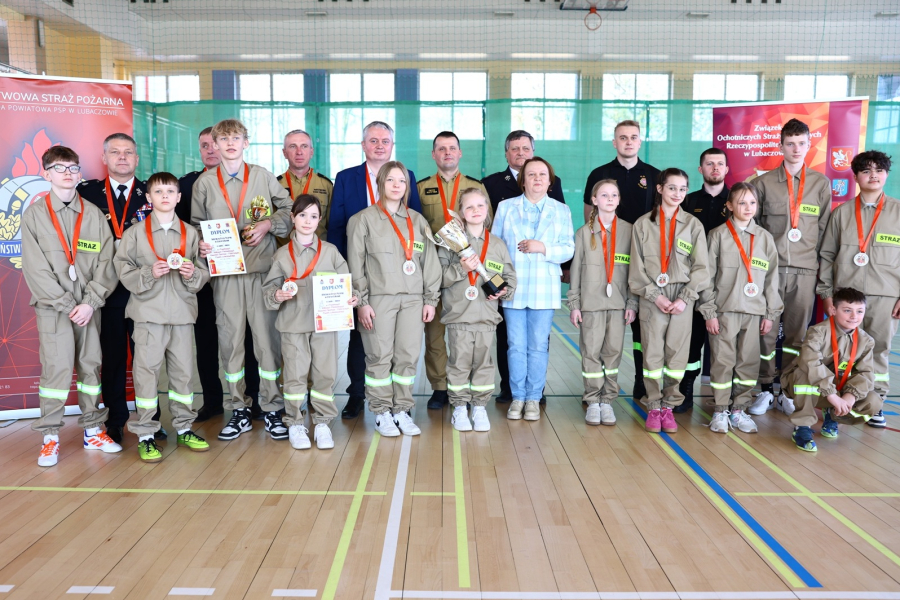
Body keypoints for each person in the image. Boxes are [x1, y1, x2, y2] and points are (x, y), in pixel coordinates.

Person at [191, 118, 293, 442]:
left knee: (267, 344)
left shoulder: (262, 175)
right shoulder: (204, 184)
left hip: (262, 271)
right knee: (231, 345)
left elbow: (289, 208)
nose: (230, 144)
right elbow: (194, 225)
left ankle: (273, 408)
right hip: (226, 275)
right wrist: (200, 242)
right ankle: (239, 409)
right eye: (223, 139)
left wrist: (268, 226)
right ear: (214, 146)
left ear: (245, 142)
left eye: (236, 138)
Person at [22, 146, 120, 467]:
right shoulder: (35, 216)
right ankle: (50, 436)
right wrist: (68, 304)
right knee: (57, 369)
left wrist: (90, 302)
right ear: (46, 173)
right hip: (54, 309)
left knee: (90, 367)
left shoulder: (93, 214)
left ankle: (93, 429)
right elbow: (36, 269)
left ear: (80, 173)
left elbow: (107, 263)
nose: (68, 173)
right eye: (60, 168)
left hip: (89, 308)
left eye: (73, 167)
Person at [327, 121, 422, 419]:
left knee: (399, 342)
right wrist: (344, 275)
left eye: (385, 140)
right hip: (360, 269)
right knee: (360, 334)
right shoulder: (346, 178)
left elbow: (414, 223)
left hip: (397, 271)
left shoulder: (407, 176)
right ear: (363, 145)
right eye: (373, 140)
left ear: (391, 146)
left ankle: (398, 403)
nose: (379, 145)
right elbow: (337, 226)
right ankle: (357, 394)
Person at [114, 172, 210, 462]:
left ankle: (184, 428)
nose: (165, 196)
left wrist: (194, 274)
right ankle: (146, 434)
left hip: (181, 314)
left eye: (170, 191)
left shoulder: (191, 235)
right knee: (146, 375)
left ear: (179, 198)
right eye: (159, 192)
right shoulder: (134, 234)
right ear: (149, 197)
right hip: (148, 315)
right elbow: (122, 269)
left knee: (183, 375)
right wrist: (147, 272)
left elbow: (203, 271)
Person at [347, 161, 440, 436]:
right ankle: (382, 412)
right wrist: (361, 302)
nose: (397, 185)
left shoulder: (417, 220)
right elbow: (356, 265)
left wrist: (430, 299)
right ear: (380, 184)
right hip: (379, 300)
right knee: (378, 357)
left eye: (401, 181)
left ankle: (401, 409)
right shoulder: (362, 220)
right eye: (391, 180)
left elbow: (429, 262)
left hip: (413, 300)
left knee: (407, 358)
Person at [263, 195, 357, 450]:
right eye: (302, 215)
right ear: (292, 217)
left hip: (325, 325)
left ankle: (323, 423)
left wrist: (353, 298)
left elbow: (348, 285)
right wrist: (277, 294)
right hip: (293, 325)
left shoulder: (330, 252)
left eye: (314, 216)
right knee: (294, 376)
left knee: (325, 375)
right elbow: (268, 289)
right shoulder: (281, 255)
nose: (308, 221)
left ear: (319, 220)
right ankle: (294, 423)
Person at [78, 133, 153, 444]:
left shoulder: (152, 192)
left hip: (144, 290)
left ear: (136, 159)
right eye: (115, 152)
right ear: (104, 158)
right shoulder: (88, 193)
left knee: (147, 358)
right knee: (111, 357)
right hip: (105, 290)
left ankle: (151, 420)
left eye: (128, 153)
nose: (122, 158)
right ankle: (116, 421)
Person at [753, 118, 831, 416]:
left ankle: (786, 390)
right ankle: (763, 389)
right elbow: (756, 231)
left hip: (805, 271)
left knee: (797, 336)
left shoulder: (820, 184)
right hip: (769, 273)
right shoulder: (762, 184)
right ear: (780, 146)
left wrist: (821, 270)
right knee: (766, 333)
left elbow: (824, 230)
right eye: (790, 143)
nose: (796, 149)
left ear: (809, 145)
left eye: (801, 143)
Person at [482, 130, 567, 405]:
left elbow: (569, 248)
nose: (537, 179)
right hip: (513, 289)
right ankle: (517, 396)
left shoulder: (561, 210)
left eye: (542, 175)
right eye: (531, 175)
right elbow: (494, 250)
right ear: (523, 179)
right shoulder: (505, 207)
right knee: (515, 346)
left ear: (549, 179)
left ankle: (533, 397)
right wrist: (495, 283)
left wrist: (543, 248)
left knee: (539, 347)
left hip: (544, 288)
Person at [178, 126, 256, 424]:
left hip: (238, 274)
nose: (212, 149)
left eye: (217, 143)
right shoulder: (188, 184)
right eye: (206, 145)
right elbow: (186, 226)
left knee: (244, 338)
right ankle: (212, 400)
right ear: (201, 149)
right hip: (201, 274)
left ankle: (252, 399)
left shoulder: (251, 179)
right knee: (208, 340)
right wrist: (197, 244)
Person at [582, 120, 661, 403]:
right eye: (622, 137)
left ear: (641, 142)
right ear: (614, 142)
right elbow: (588, 213)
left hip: (643, 261)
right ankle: (595, 391)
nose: (628, 142)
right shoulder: (600, 173)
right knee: (603, 334)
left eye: (634, 137)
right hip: (608, 261)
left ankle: (642, 383)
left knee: (641, 326)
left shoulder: (653, 175)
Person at [817, 150, 898, 429]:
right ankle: (835, 404)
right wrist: (827, 294)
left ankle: (876, 401)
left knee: (880, 349)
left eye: (878, 170)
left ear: (886, 175)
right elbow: (826, 256)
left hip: (885, 295)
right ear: (856, 177)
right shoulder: (841, 214)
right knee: (840, 353)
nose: (872, 175)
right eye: (866, 170)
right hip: (845, 298)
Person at [629, 168, 710, 433]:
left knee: (676, 353)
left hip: (681, 298)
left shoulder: (693, 225)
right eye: (672, 187)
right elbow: (636, 270)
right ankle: (653, 406)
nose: (677, 193)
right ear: (660, 189)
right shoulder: (643, 224)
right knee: (652, 353)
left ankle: (669, 406)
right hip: (652, 297)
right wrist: (655, 295)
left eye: (683, 189)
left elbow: (701, 268)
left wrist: (686, 298)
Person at [699, 183, 782, 434]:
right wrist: (710, 312)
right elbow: (707, 278)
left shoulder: (765, 239)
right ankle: (721, 409)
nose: (748, 208)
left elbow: (771, 279)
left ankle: (739, 410)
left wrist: (770, 314)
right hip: (724, 311)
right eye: (742, 202)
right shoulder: (717, 235)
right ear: (730, 205)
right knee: (722, 361)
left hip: (754, 313)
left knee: (747, 363)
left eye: (752, 203)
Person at [417, 131, 491, 410]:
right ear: (433, 155)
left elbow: (488, 224)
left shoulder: (476, 186)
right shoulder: (422, 187)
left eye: (452, 148)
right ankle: (439, 387)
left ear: (460, 153)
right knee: (434, 330)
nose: (447, 153)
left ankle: (468, 384)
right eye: (441, 149)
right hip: (434, 267)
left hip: (467, 270)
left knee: (466, 331)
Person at [438, 188, 516, 432]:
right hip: (459, 316)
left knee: (484, 363)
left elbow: (509, 276)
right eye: (469, 207)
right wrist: (461, 268)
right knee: (459, 363)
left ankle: (480, 407)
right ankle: (460, 407)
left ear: (487, 211)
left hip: (486, 316)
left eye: (480, 206)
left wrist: (505, 290)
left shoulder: (498, 244)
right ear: (461, 212)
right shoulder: (450, 243)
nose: (475, 211)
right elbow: (438, 277)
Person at [568, 179, 637, 425]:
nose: (609, 199)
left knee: (613, 354)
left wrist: (632, 304)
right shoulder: (583, 233)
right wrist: (574, 304)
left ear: (619, 200)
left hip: (619, 305)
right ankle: (593, 400)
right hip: (591, 305)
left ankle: (607, 401)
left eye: (614, 195)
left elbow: (635, 273)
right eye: (604, 195)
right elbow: (575, 272)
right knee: (591, 353)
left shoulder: (630, 231)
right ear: (594, 201)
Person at [781, 288, 882, 452]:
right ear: (833, 310)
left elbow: (865, 373)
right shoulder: (818, 332)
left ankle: (834, 416)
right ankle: (802, 427)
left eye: (859, 311)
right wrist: (833, 396)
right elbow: (810, 362)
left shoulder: (866, 340)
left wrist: (849, 397)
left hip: (837, 390)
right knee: (803, 373)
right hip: (808, 387)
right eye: (847, 310)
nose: (854, 316)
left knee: (874, 400)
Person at [677, 148, 730, 413]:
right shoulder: (687, 201)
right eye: (709, 164)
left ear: (727, 169)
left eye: (720, 164)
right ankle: (686, 389)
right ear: (701, 170)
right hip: (694, 283)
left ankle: (728, 399)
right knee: (692, 341)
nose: (715, 168)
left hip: (727, 284)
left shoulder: (736, 200)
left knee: (727, 344)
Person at [277, 129, 333, 239]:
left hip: (319, 253)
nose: (299, 152)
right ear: (284, 153)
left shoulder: (326, 185)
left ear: (311, 152)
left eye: (304, 146)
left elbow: (333, 225)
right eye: (293, 146)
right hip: (285, 253)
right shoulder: (274, 185)